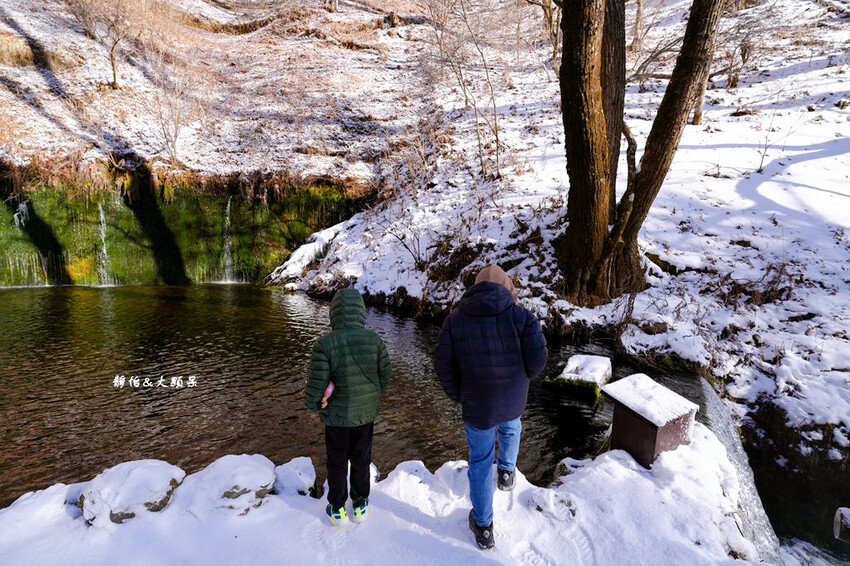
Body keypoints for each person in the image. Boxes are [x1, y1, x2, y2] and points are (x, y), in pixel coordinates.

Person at [434, 264, 548, 550]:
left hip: (477, 404)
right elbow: (538, 360)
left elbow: (443, 366)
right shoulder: (522, 316)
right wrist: (520, 381)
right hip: (512, 398)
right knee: (511, 427)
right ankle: (507, 473)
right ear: (507, 287)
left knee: (481, 461)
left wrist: (459, 394)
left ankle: (484, 527)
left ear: (475, 287)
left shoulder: (455, 320)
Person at [306, 288, 391, 527]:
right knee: (362, 459)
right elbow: (385, 373)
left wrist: (313, 404)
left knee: (337, 461)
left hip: (336, 417)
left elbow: (317, 381)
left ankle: (337, 507)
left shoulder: (324, 344)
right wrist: (373, 394)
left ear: (334, 313)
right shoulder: (374, 339)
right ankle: (361, 502)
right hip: (365, 414)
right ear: (360, 312)